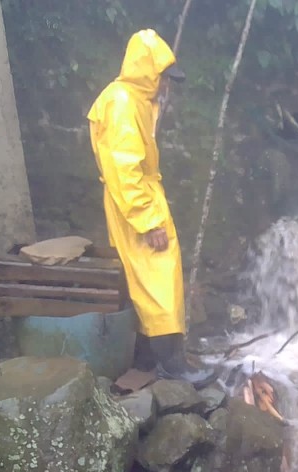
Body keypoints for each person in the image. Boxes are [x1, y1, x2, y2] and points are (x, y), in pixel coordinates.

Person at [87, 29, 216, 389]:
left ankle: (146, 358)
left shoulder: (132, 99)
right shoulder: (123, 103)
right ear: (147, 71)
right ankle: (173, 365)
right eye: (162, 78)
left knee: (146, 280)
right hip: (135, 202)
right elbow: (124, 167)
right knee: (158, 279)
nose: (166, 87)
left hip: (138, 198)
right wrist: (147, 220)